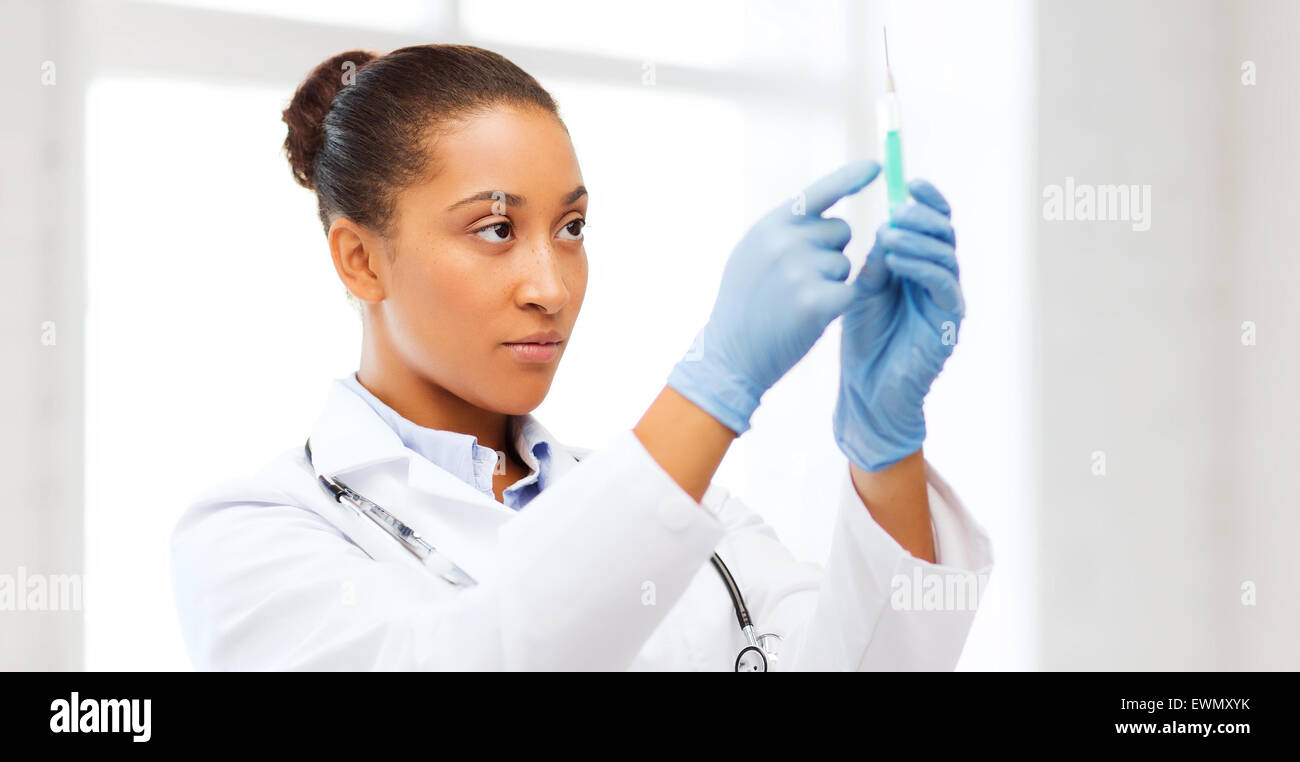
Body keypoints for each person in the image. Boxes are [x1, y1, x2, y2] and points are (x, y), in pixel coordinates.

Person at [170, 44, 992, 671]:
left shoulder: (704, 526)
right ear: (359, 260)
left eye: (571, 228)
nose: (550, 286)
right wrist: (714, 387)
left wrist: (888, 452)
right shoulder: (255, 537)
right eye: (495, 230)